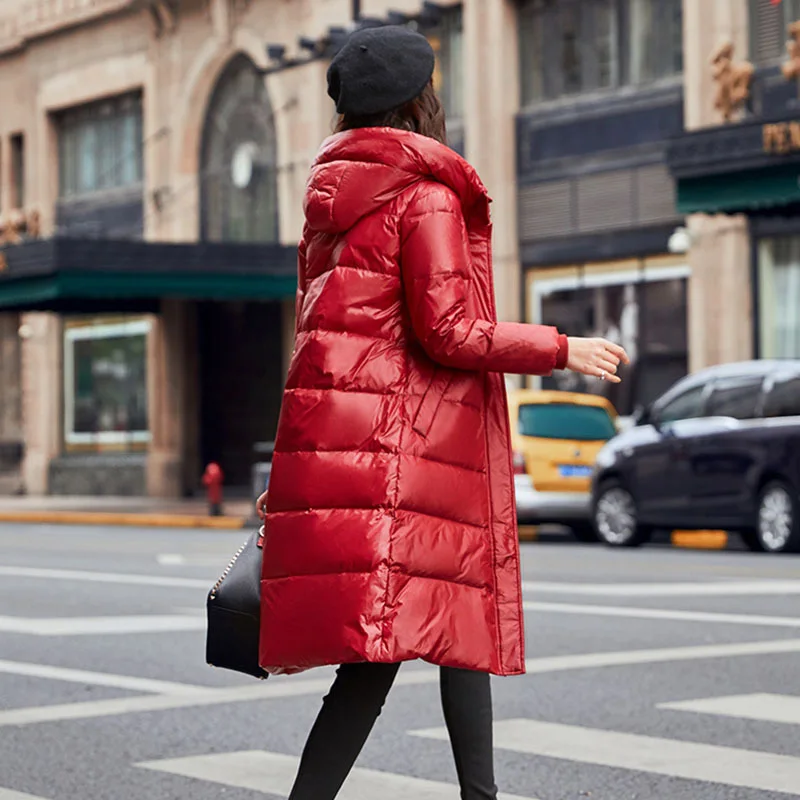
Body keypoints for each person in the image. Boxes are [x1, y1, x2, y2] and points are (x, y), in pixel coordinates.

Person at [255, 25, 628, 800]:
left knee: (442, 639)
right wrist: (562, 348)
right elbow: (450, 329)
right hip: (410, 450)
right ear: (419, 101)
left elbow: (324, 342)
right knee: (400, 649)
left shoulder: (333, 202)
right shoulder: (421, 197)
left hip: (368, 447)